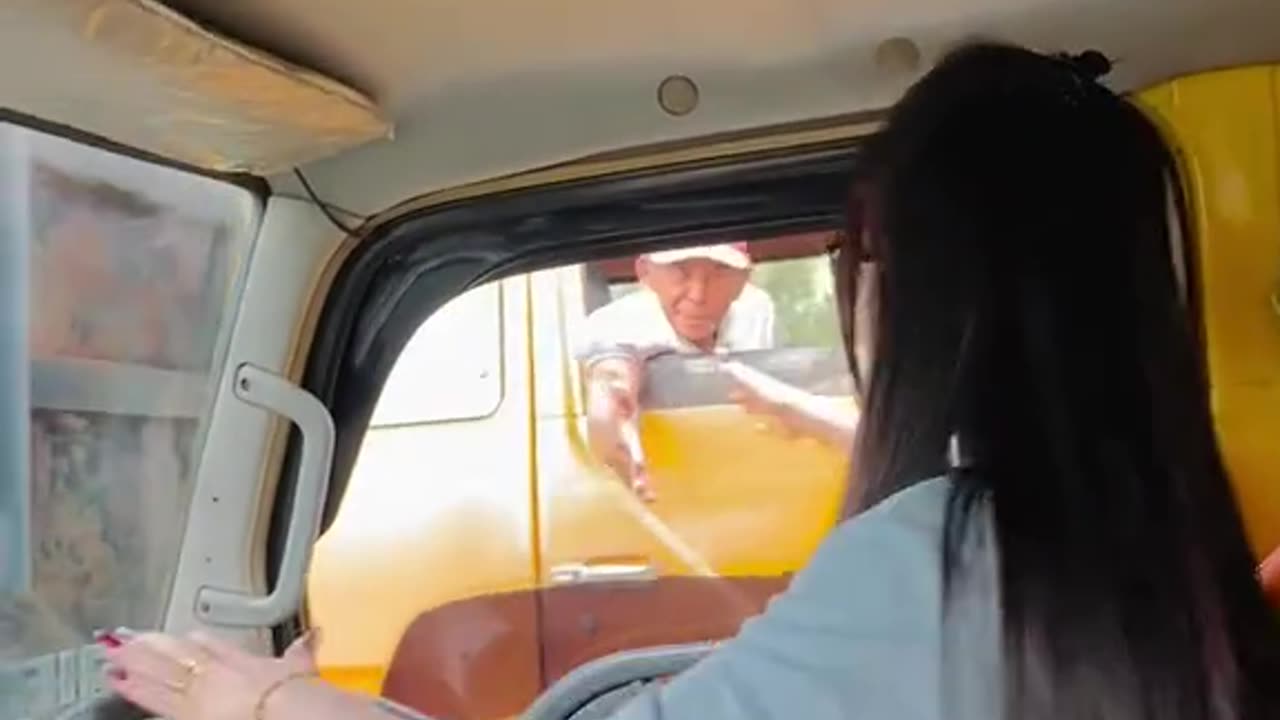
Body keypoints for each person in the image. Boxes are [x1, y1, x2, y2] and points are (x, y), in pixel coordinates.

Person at [100, 42, 1280, 720]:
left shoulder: (948, 558)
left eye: (857, 257)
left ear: (922, 293)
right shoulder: (1177, 564)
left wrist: (255, 705)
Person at [577, 243, 778, 496]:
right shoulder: (617, 321)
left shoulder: (756, 310)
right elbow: (612, 374)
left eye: (719, 272)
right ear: (645, 272)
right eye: (679, 272)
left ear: (743, 279)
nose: (698, 295)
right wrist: (612, 413)